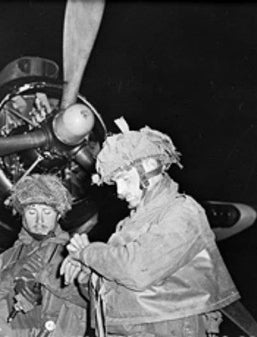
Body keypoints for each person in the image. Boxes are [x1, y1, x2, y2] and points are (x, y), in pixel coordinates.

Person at [61, 119, 241, 337]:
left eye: (125, 179)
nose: (119, 191)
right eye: (115, 182)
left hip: (169, 328)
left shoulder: (182, 212)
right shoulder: (131, 224)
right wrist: (87, 272)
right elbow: (112, 297)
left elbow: (136, 271)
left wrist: (87, 253)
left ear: (148, 168)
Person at [0, 174, 88, 337]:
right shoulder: (3, 260)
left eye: (46, 212)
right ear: (22, 216)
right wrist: (11, 274)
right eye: (32, 212)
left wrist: (48, 278)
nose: (39, 220)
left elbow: (96, 300)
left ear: (58, 215)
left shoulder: (76, 256)